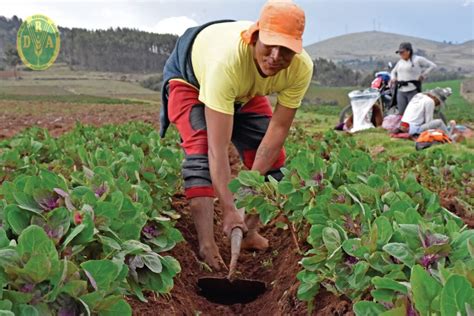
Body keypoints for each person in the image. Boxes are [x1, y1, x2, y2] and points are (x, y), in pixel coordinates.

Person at [160, 0, 313, 270]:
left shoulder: (300, 68)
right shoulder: (227, 62)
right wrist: (229, 209)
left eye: (286, 50)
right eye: (269, 45)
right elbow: (217, 150)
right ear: (255, 38)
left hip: (245, 89)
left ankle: (249, 232)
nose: (276, 56)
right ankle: (207, 245)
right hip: (191, 79)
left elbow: (277, 130)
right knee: (200, 150)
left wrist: (251, 186)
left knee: (273, 162)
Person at [390, 42, 437, 115]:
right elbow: (393, 71)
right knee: (402, 112)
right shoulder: (400, 62)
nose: (400, 54)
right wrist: (393, 78)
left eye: (402, 52)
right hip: (401, 91)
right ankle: (404, 126)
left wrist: (423, 75)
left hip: (413, 90)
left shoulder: (417, 60)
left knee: (414, 112)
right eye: (399, 53)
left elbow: (433, 66)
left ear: (408, 51)